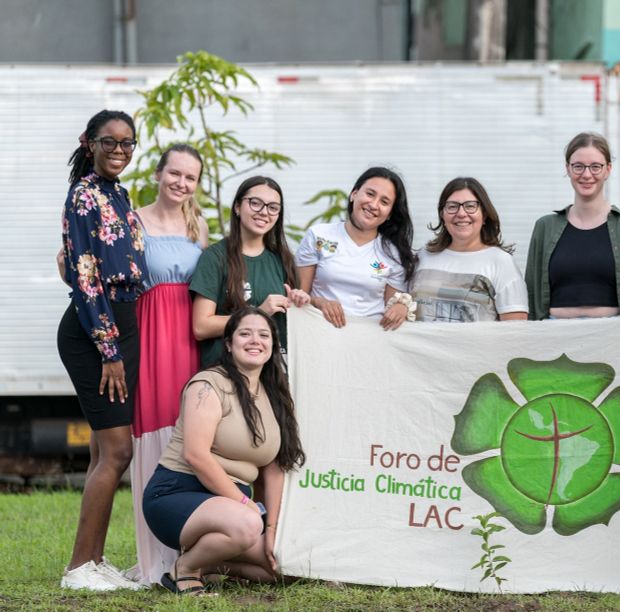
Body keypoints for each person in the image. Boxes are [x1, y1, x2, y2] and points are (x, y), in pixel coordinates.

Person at [142, 307, 305, 595]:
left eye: (264, 335)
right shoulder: (209, 384)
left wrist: (272, 530)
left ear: (272, 347)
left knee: (287, 563)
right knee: (246, 524)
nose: (255, 340)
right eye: (245, 333)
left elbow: (275, 469)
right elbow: (196, 455)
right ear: (228, 344)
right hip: (177, 493)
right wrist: (246, 506)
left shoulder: (276, 396)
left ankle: (212, 565)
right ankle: (185, 569)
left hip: (232, 508)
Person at [57, 109, 147, 591]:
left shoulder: (119, 193)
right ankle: (77, 569)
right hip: (96, 331)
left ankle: (94, 561)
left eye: (128, 143)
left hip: (121, 326)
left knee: (101, 450)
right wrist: (109, 349)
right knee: (117, 451)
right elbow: (87, 275)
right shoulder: (85, 195)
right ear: (88, 142)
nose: (119, 150)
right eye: (109, 141)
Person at [129, 144, 209, 586]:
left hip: (188, 338)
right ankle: (152, 560)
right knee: (154, 436)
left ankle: (187, 553)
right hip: (150, 335)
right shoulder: (133, 220)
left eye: (190, 177)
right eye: (174, 173)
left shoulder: (198, 224)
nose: (181, 183)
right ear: (159, 174)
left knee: (189, 435)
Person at [526, 132, 620, 320]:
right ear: (568, 169)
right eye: (578, 166)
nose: (587, 174)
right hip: (554, 336)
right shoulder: (545, 227)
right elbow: (531, 290)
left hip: (614, 337)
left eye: (595, 167)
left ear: (608, 169)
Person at [190, 176, 309, 368]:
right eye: (255, 203)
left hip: (273, 373)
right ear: (237, 207)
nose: (264, 212)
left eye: (272, 207)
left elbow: (297, 329)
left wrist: (299, 302)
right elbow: (200, 327)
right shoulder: (215, 257)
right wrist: (259, 312)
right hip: (225, 371)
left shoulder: (284, 260)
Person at [294, 166, 417, 330]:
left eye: (384, 202)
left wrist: (401, 307)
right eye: (370, 194)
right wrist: (319, 302)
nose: (373, 204)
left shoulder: (394, 254)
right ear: (354, 194)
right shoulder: (319, 236)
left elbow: (392, 311)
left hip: (369, 340)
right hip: (317, 334)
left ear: (389, 214)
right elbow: (298, 296)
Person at [411, 177, 528, 322]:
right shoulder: (424, 257)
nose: (461, 213)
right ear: (442, 215)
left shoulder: (501, 262)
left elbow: (516, 329)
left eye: (470, 206)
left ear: (484, 214)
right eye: (452, 206)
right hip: (422, 345)